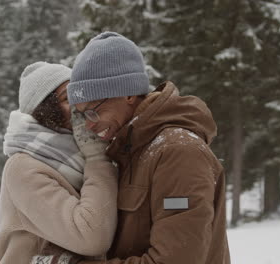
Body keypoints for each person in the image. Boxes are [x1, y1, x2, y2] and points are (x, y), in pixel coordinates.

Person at [65, 32, 231, 263]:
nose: (89, 125)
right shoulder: (132, 151)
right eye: (81, 115)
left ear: (129, 94)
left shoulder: (177, 152)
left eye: (94, 111)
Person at [0, 61, 118, 264]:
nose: (79, 107)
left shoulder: (80, 152)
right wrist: (97, 159)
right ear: (43, 108)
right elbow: (92, 237)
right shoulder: (23, 167)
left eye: (80, 96)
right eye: (68, 98)